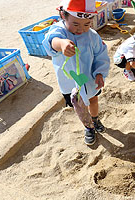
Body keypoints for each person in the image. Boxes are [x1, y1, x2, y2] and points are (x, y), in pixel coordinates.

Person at [42, 0, 110, 145]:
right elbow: (51, 41)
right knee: (79, 106)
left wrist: (99, 73)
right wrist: (61, 44)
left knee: (93, 100)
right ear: (63, 16)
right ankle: (88, 126)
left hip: (90, 79)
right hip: (70, 83)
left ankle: (95, 119)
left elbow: (101, 55)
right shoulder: (59, 31)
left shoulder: (92, 35)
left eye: (87, 24)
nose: (81, 29)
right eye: (75, 24)